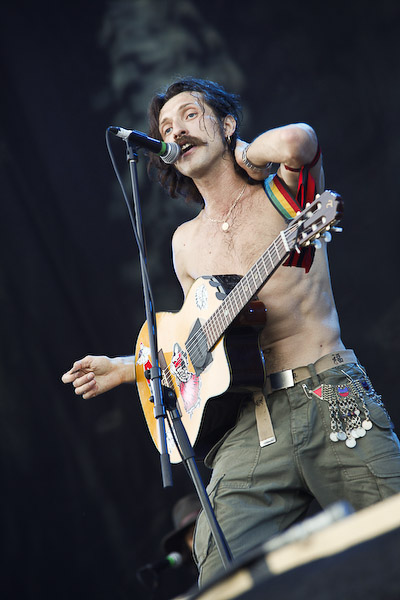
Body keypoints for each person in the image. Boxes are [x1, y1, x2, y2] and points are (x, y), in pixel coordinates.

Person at [62, 77, 400, 587]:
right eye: (166, 128)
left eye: (190, 116)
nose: (176, 132)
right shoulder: (184, 243)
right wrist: (129, 368)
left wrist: (246, 153)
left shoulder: (280, 192)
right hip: (251, 425)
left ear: (226, 123)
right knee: (219, 578)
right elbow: (196, 344)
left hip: (329, 396)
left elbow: (298, 141)